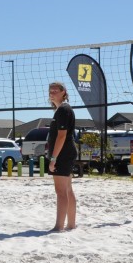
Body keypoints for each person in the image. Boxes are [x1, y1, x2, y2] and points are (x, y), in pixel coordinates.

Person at [47, 81, 78, 231]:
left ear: (63, 92)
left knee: (61, 191)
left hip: (63, 154)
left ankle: (59, 226)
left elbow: (62, 136)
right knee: (67, 190)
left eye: (55, 91)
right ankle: (71, 225)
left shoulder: (63, 110)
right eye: (50, 91)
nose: (51, 93)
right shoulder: (61, 110)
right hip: (67, 152)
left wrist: (53, 159)